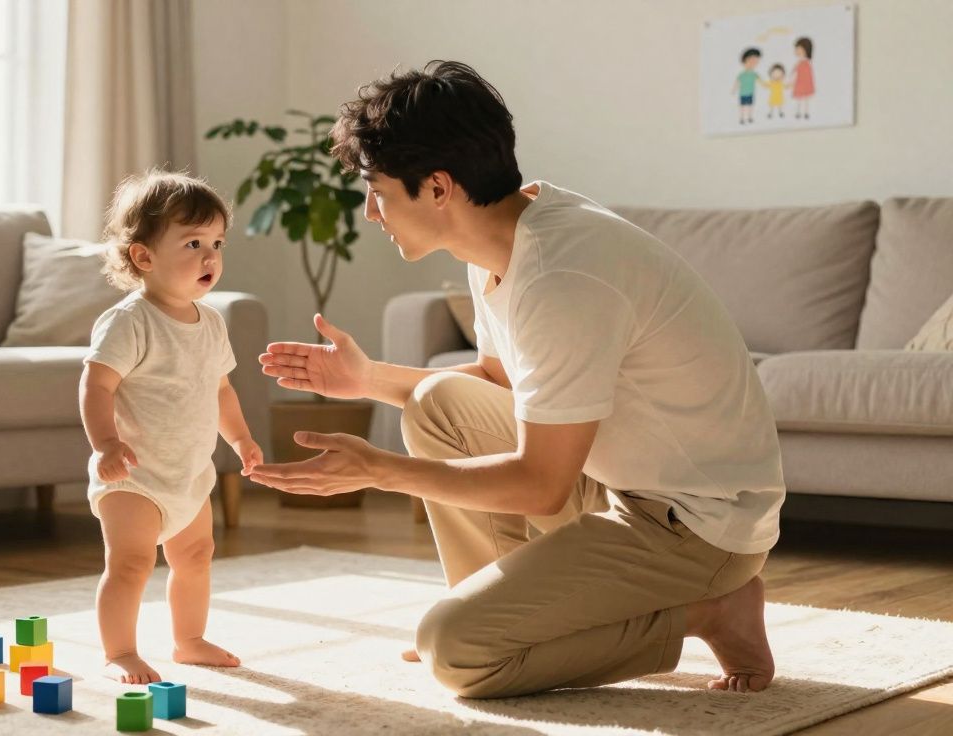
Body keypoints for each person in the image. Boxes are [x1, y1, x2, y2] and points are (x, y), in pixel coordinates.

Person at [250, 61, 785, 697]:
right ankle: (498, 612)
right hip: (623, 489)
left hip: (697, 528)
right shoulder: (503, 242)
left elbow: (539, 484)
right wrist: (367, 379)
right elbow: (500, 388)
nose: (371, 212)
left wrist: (380, 470)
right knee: (438, 399)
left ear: (439, 188)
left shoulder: (561, 276)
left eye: (380, 192)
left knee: (456, 655)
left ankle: (710, 611)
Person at [80, 170, 263, 684]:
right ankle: (119, 651)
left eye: (216, 243)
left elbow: (221, 390)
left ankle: (189, 640)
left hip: (189, 475)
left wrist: (243, 439)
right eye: (192, 243)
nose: (210, 257)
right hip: (133, 475)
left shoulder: (212, 323)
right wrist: (106, 445)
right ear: (143, 257)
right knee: (132, 565)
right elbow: (96, 387)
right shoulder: (129, 321)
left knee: (196, 556)